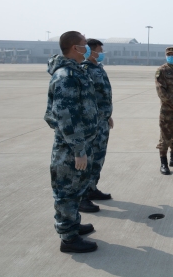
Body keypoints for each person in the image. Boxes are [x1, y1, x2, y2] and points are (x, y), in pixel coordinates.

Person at [45, 31, 99, 253]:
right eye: (84, 44)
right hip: (70, 147)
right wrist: (78, 149)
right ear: (74, 48)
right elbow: (66, 116)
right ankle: (68, 238)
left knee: (76, 188)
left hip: (79, 143)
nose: (87, 48)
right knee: (66, 191)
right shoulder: (66, 76)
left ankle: (73, 225)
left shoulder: (76, 72)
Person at [78, 39, 114, 214]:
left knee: (99, 157)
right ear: (90, 51)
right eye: (99, 51)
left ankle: (92, 188)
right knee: (90, 159)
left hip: (102, 120)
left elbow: (102, 96)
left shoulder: (98, 68)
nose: (101, 54)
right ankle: (82, 197)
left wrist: (108, 116)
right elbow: (87, 98)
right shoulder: (85, 70)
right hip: (91, 124)